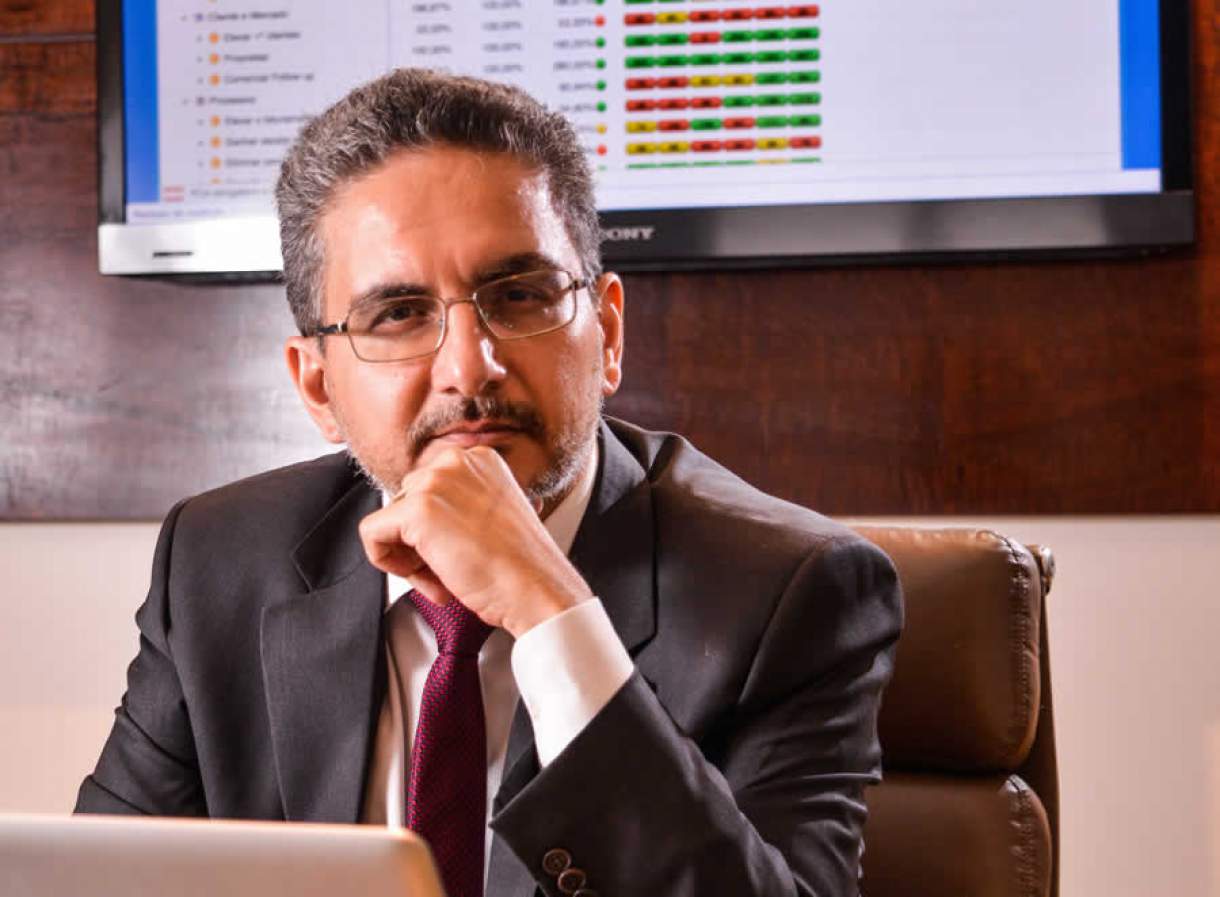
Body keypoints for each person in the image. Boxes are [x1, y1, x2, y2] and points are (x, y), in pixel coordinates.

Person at [76, 68, 903, 897]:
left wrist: (552, 612)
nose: (471, 367)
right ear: (318, 387)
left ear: (608, 334)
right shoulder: (219, 564)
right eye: (398, 313)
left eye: (519, 294)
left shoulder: (790, 591)